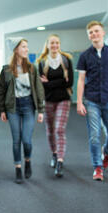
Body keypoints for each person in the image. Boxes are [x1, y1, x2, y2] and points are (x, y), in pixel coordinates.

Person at [76, 21, 108, 181]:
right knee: (94, 135)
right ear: (88, 36)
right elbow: (81, 80)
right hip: (92, 101)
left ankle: (107, 152)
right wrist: (79, 101)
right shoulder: (84, 56)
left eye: (96, 31)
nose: (94, 34)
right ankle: (97, 167)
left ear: (103, 32)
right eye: (90, 32)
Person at [0, 38, 45, 184]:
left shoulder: (31, 68)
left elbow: (38, 88)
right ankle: (18, 167)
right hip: (13, 107)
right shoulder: (6, 69)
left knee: (27, 140)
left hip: (28, 106)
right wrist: (1, 110)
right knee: (16, 140)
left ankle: (28, 161)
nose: (26, 49)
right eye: (24, 46)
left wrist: (41, 110)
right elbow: (1, 91)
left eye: (26, 46)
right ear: (16, 49)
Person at [37, 34, 73, 177]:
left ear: (59, 44)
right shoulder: (41, 62)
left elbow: (69, 83)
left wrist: (50, 83)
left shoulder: (66, 60)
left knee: (59, 129)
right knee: (50, 130)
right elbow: (42, 85)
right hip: (48, 100)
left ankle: (60, 160)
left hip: (64, 99)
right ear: (47, 45)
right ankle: (54, 153)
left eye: (57, 43)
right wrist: (60, 81)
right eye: (52, 43)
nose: (55, 45)